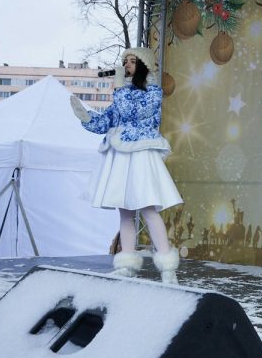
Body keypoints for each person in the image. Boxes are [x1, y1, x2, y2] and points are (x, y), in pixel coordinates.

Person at [70, 48, 183, 283]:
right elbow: (107, 121)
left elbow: (132, 112)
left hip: (140, 154)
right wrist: (85, 117)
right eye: (125, 61)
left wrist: (119, 86)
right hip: (121, 156)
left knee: (148, 210)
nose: (127, 65)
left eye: (132, 61)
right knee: (125, 212)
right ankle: (127, 265)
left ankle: (167, 268)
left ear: (144, 66)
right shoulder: (124, 91)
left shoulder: (153, 91)